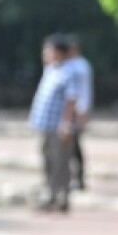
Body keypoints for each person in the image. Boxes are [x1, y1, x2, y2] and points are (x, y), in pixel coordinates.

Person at [28, 34, 79, 213]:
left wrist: (66, 124)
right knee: (48, 161)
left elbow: (71, 100)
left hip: (59, 127)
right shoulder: (51, 70)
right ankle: (50, 195)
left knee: (61, 163)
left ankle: (62, 196)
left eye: (49, 50)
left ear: (59, 52)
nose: (45, 53)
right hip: (46, 125)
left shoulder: (68, 72)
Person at [64, 35, 94, 191]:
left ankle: (79, 178)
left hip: (77, 110)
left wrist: (82, 113)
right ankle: (76, 178)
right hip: (76, 110)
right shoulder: (75, 65)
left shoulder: (79, 67)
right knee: (72, 146)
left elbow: (82, 92)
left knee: (74, 146)